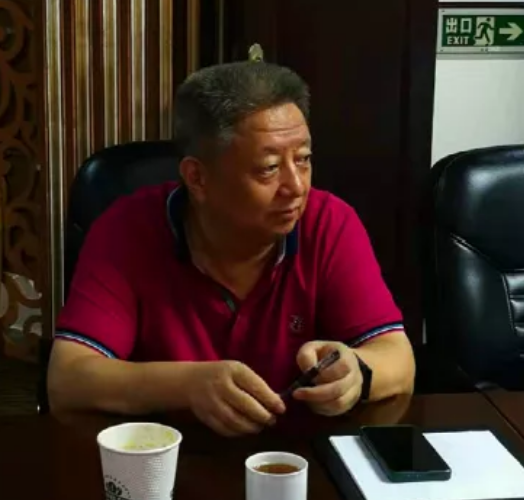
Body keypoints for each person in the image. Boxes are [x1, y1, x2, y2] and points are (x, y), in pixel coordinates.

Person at [48, 61, 415, 437]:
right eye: (268, 168)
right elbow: (68, 379)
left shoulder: (328, 223)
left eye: (303, 160)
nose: (296, 186)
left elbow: (397, 359)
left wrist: (356, 374)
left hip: (299, 458)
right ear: (197, 177)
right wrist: (187, 386)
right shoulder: (127, 230)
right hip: (167, 457)